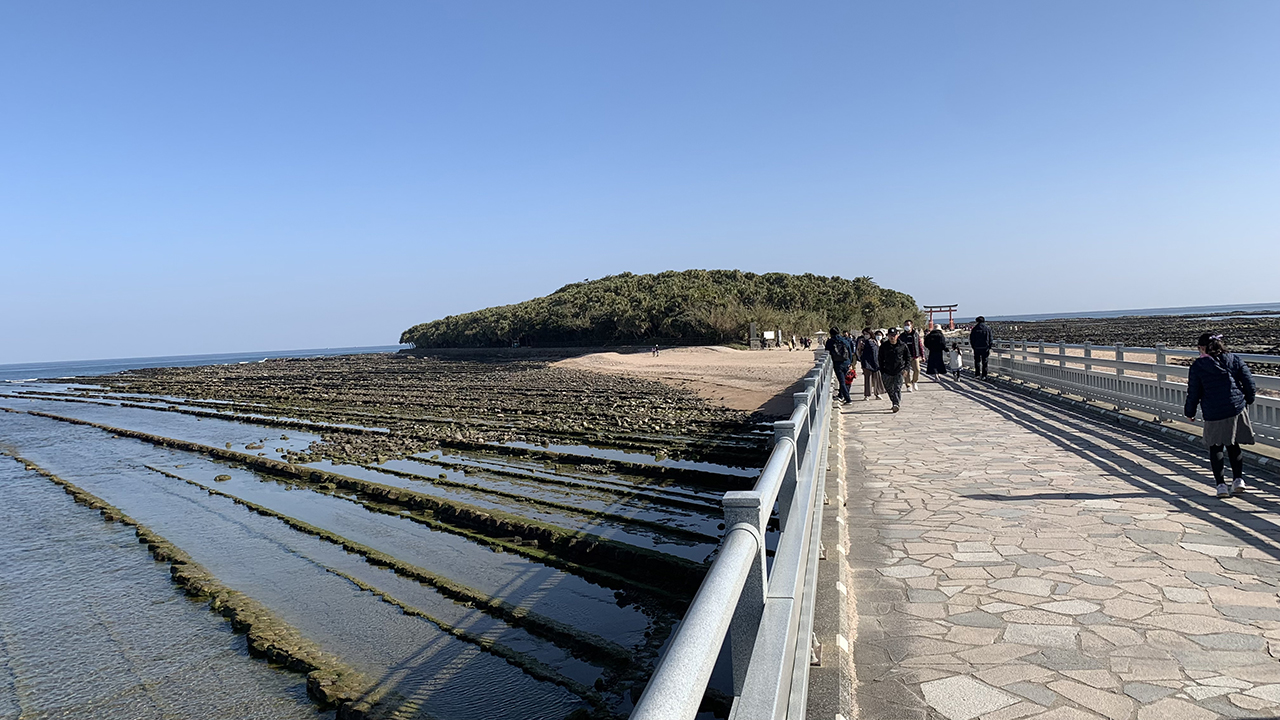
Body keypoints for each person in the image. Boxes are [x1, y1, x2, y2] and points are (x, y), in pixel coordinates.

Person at [1184, 332, 1257, 498]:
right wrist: (1247, 400)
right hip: (1235, 408)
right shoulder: (1233, 359)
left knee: (1216, 446)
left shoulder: (1198, 366)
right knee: (1233, 444)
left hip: (1213, 411)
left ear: (1202, 348)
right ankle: (1238, 480)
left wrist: (1190, 412)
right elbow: (1249, 382)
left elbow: (1194, 392)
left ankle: (1221, 486)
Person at [879, 328, 911, 413]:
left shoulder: (902, 345)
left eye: (894, 335)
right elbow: (880, 359)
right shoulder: (884, 346)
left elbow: (908, 358)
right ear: (888, 336)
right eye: (890, 335)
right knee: (889, 389)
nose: (892, 337)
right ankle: (894, 401)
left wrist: (906, 369)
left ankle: (896, 404)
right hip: (887, 371)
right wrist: (882, 371)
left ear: (897, 336)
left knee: (897, 388)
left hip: (899, 370)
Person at [825, 326, 853, 404]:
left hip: (837, 363)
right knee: (846, 380)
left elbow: (827, 352)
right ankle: (841, 395)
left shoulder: (830, 342)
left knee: (842, 381)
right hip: (846, 362)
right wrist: (850, 362)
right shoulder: (844, 340)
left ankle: (848, 399)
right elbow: (850, 351)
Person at [859, 327, 883, 400]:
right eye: (864, 334)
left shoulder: (875, 341)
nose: (865, 335)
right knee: (868, 379)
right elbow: (859, 352)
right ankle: (867, 395)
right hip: (867, 363)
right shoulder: (863, 342)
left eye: (867, 334)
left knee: (877, 379)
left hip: (876, 362)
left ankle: (877, 393)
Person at [899, 320, 924, 392]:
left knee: (917, 370)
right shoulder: (902, 336)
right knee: (906, 372)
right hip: (905, 356)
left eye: (908, 325)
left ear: (911, 326)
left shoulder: (916, 335)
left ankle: (914, 381)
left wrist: (922, 355)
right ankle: (908, 385)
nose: (906, 326)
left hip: (915, 355)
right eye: (905, 325)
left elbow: (920, 345)